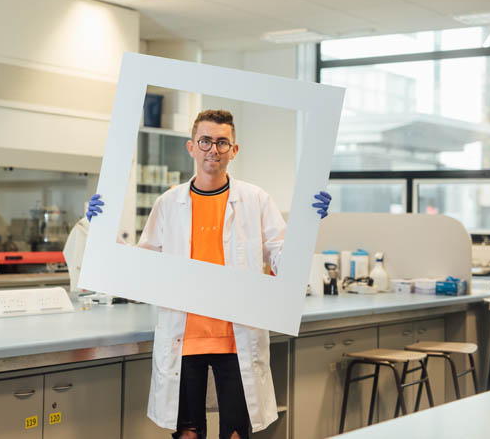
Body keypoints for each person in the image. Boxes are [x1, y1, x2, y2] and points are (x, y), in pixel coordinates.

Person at [86, 110, 331, 439]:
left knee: (235, 434)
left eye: (221, 142)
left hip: (236, 337)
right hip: (184, 337)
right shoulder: (168, 203)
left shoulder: (256, 200)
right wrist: (103, 231)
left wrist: (307, 225)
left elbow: (283, 259)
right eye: (205, 141)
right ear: (191, 147)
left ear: (234, 149)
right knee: (188, 435)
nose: (212, 150)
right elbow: (142, 268)